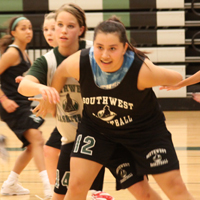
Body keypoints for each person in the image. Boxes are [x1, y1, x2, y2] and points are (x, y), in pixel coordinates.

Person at [35, 16, 195, 200]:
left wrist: (177, 84)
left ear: (124, 48)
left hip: (144, 132)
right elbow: (61, 71)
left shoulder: (141, 71)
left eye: (112, 49)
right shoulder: (81, 61)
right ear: (92, 45)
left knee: (171, 187)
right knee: (76, 185)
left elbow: (175, 76)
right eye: (99, 47)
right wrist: (51, 97)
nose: (104, 55)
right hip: (98, 130)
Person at [18, 6, 163, 200]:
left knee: (143, 193)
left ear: (81, 29)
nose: (62, 30)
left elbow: (132, 64)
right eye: (58, 25)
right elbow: (24, 86)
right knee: (62, 195)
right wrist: (42, 89)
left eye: (70, 26)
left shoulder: (97, 52)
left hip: (113, 135)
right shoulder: (48, 61)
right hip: (75, 141)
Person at [0, 16, 52, 198]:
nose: (28, 31)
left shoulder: (24, 54)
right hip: (10, 105)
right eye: (23, 28)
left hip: (22, 104)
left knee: (32, 145)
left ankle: (10, 184)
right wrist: (3, 99)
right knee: (37, 139)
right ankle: (48, 188)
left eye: (30, 28)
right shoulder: (12, 53)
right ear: (13, 32)